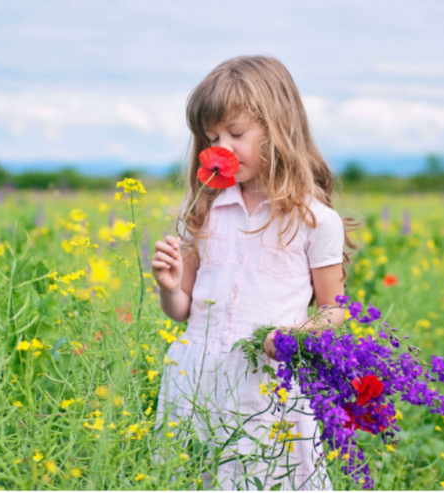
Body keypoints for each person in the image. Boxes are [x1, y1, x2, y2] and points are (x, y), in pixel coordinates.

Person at [151, 55, 357, 491]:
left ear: (278, 128)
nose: (221, 147)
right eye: (212, 137)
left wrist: (292, 338)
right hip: (197, 377)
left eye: (236, 133)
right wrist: (169, 288)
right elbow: (182, 310)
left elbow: (333, 310)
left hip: (266, 382)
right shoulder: (201, 210)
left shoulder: (316, 220)